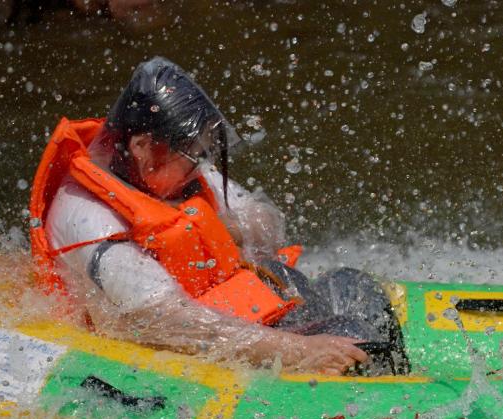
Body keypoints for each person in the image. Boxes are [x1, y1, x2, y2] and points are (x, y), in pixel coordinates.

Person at [29, 57, 407, 375]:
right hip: (191, 338)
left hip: (248, 307)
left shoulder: (173, 171)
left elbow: (267, 224)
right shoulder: (89, 218)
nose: (201, 168)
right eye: (193, 156)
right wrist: (299, 352)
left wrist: (233, 230)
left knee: (352, 284)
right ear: (143, 147)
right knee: (353, 332)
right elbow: (165, 320)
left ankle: (389, 373)